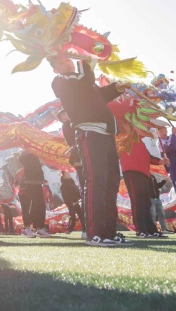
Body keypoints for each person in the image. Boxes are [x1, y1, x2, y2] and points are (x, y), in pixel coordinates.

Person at [50, 56, 128, 246]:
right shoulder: (61, 82)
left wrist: (117, 87)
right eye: (62, 62)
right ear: (55, 69)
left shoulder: (83, 80)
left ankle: (109, 232)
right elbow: (84, 85)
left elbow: (98, 97)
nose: (67, 62)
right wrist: (85, 64)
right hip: (89, 132)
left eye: (68, 59)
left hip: (106, 132)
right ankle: (95, 233)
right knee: (96, 180)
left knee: (111, 182)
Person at [17, 150, 50, 238]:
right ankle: (26, 227)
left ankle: (39, 228)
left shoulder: (35, 153)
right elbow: (22, 159)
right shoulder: (25, 153)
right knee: (30, 206)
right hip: (28, 183)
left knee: (41, 205)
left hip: (38, 182)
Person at [59, 170, 83, 234]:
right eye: (67, 174)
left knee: (81, 216)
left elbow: (77, 192)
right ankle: (69, 229)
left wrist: (78, 198)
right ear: (64, 176)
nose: (69, 174)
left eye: (68, 173)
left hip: (76, 202)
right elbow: (65, 196)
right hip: (70, 204)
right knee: (73, 217)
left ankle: (85, 230)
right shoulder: (63, 186)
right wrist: (71, 202)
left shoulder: (72, 183)